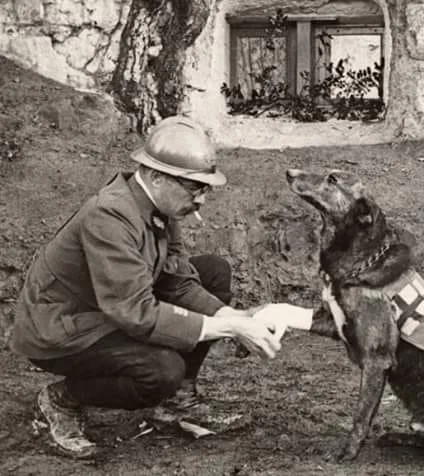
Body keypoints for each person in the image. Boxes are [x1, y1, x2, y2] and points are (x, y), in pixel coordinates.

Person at [10, 116, 289, 459]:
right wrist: (229, 327)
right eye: (194, 187)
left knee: (213, 274)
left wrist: (236, 316)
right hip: (62, 328)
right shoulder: (109, 215)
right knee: (162, 370)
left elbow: (177, 281)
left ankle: (177, 404)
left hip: (108, 309)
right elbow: (135, 313)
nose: (201, 200)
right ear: (156, 176)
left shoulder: (159, 207)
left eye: (204, 189)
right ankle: (61, 398)